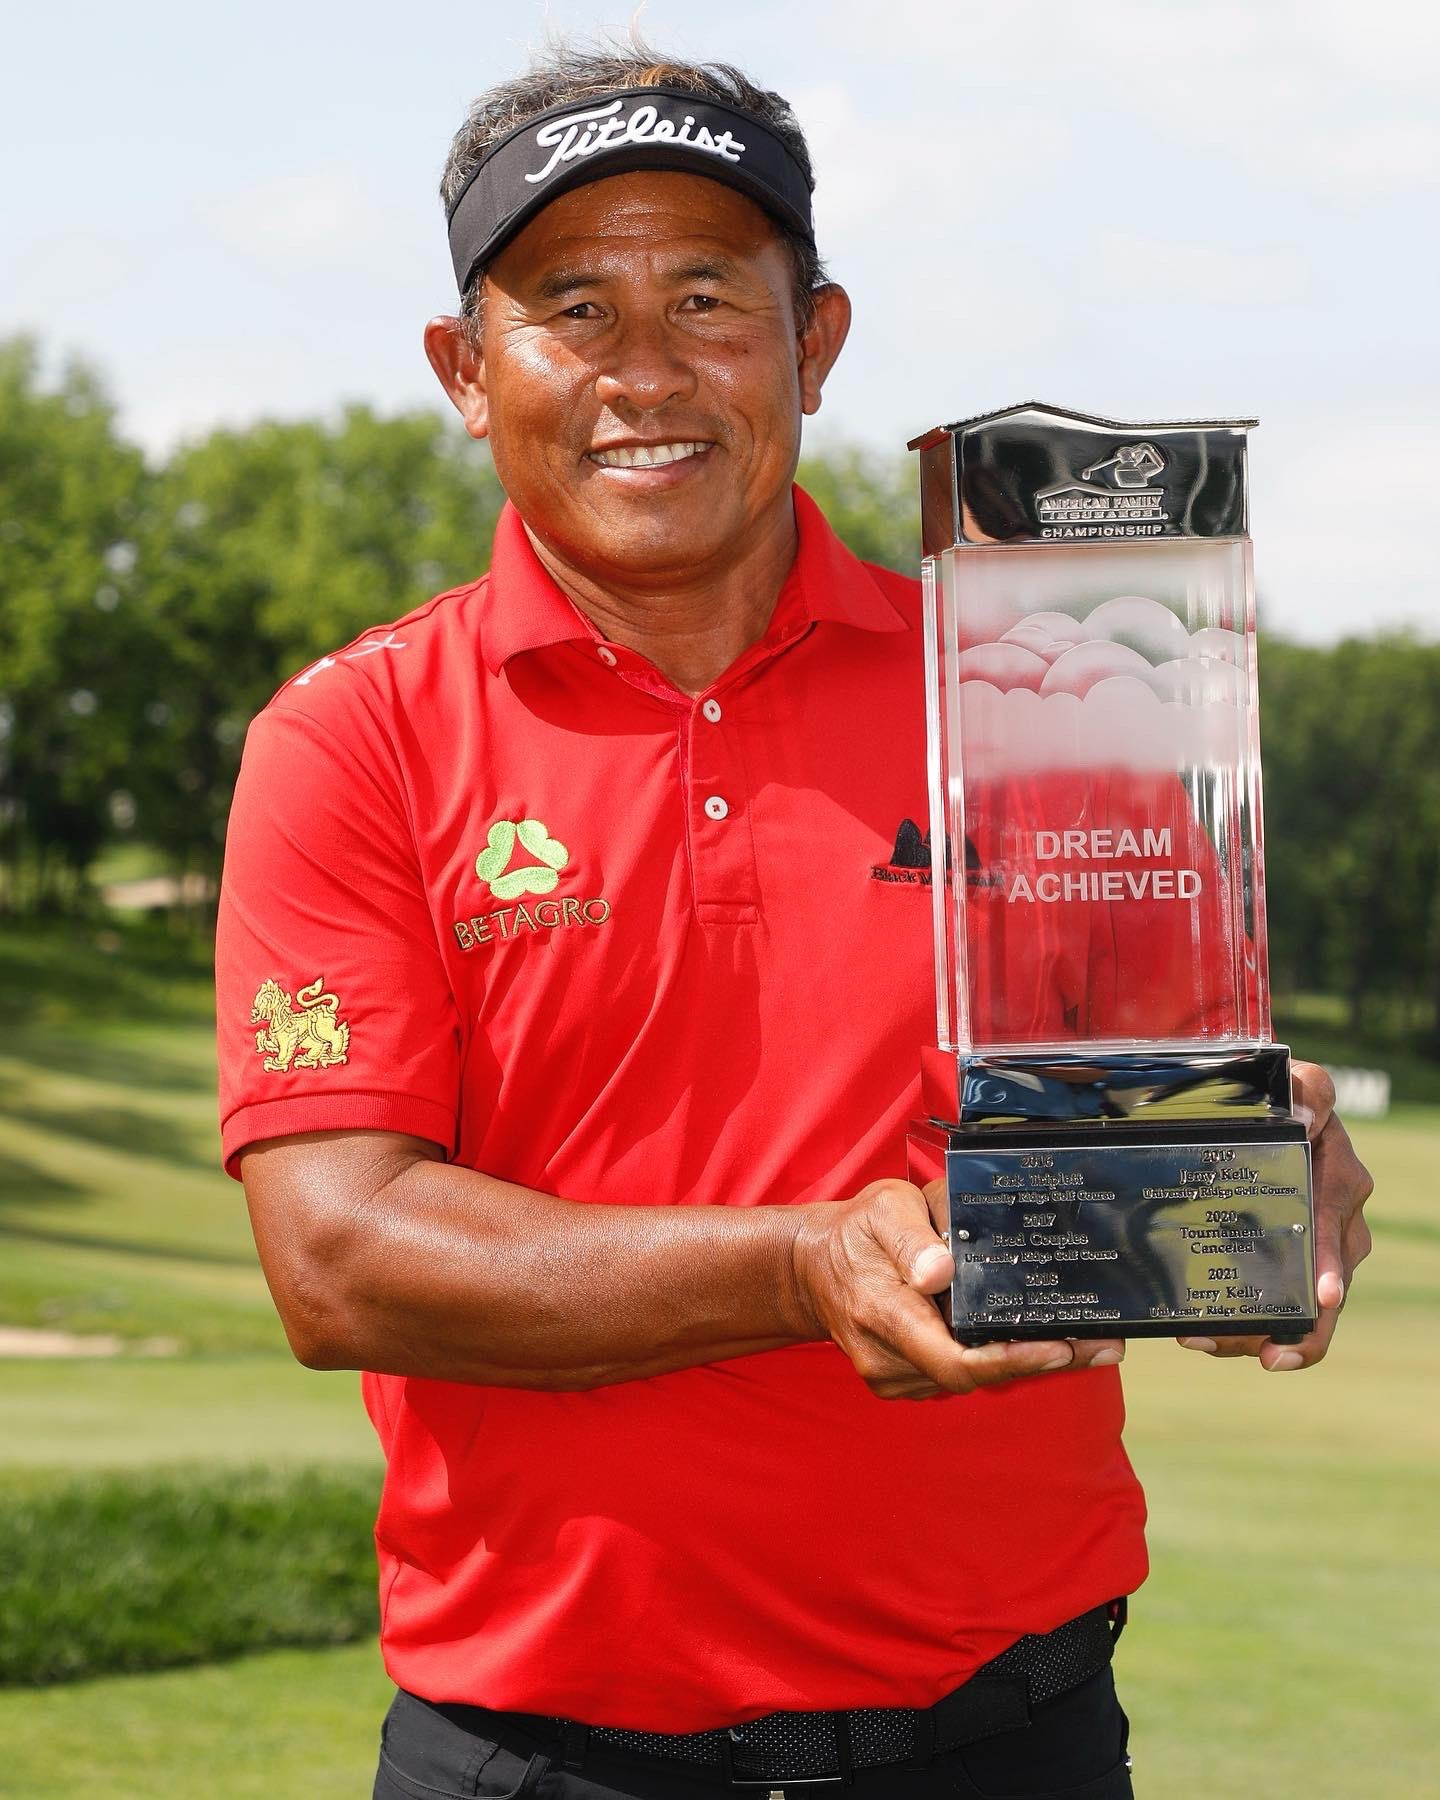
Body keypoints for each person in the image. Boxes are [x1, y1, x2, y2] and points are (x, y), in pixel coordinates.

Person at [215, 43, 1374, 1800]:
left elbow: (1137, 1098)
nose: (646, 373)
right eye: (573, 308)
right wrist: (798, 1261)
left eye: (706, 299)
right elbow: (340, 1256)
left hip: (1012, 1733)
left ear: (815, 344)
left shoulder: (1040, 678)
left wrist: (1245, 1158)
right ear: (467, 370)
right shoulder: (354, 734)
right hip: (543, 1757)